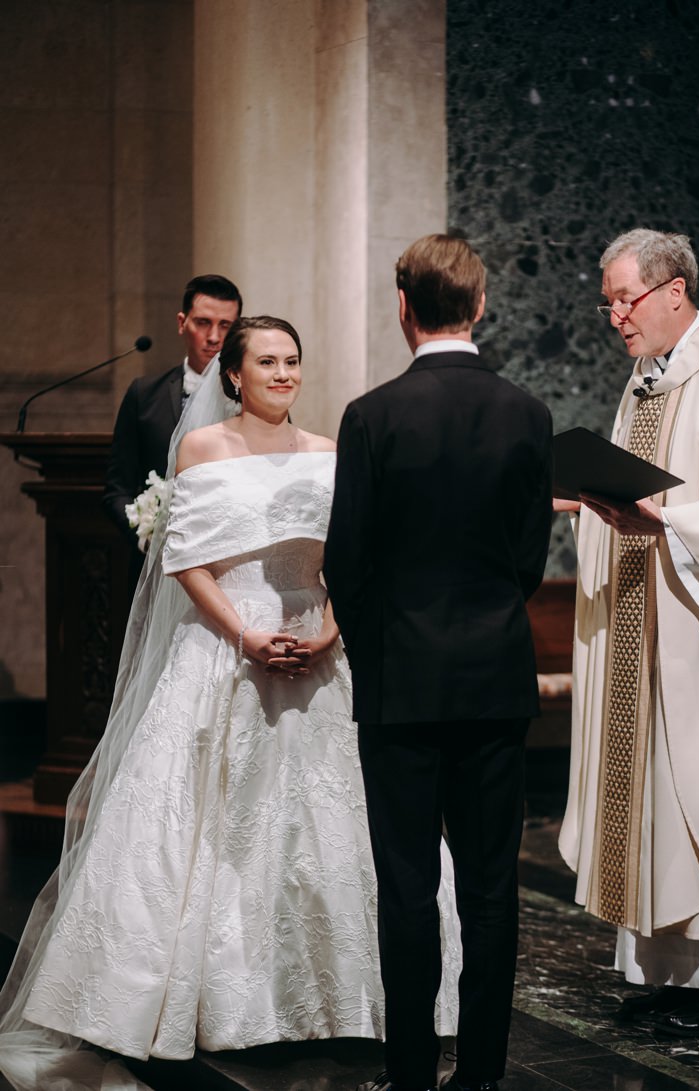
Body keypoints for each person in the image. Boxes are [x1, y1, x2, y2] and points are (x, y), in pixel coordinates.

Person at [0, 316, 459, 1091]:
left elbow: (355, 559)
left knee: (332, 831)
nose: (283, 374)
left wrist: (328, 634)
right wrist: (245, 635)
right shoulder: (202, 448)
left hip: (317, 650)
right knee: (203, 832)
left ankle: (341, 1002)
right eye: (267, 362)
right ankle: (207, 1001)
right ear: (234, 375)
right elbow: (188, 559)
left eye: (293, 362)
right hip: (224, 650)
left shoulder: (331, 453)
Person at [325, 235, 553, 1091]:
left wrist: (379, 640)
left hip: (401, 682)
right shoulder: (529, 412)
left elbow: (347, 561)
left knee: (409, 886)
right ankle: (484, 1074)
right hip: (496, 677)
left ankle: (412, 1072)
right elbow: (529, 557)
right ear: (482, 306)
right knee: (493, 889)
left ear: (402, 306)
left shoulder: (372, 415)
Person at [557, 228, 699, 1035]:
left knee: (691, 784)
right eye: (608, 303)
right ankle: (662, 968)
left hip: (693, 627)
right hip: (637, 611)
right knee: (643, 791)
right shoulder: (644, 382)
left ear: (673, 291)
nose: (616, 316)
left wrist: (670, 520)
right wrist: (593, 500)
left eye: (625, 299)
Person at [103, 274, 242, 541]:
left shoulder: (254, 398)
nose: (214, 337)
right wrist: (146, 532)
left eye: (225, 325)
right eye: (203, 323)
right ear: (182, 323)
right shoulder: (143, 395)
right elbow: (116, 490)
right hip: (157, 561)